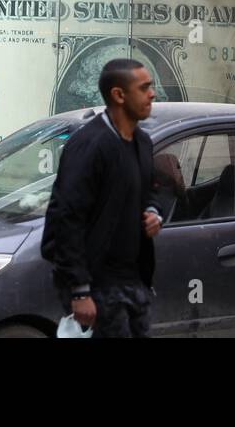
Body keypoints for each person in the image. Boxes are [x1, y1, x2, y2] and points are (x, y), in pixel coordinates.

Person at [41, 57, 164, 338]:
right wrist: (79, 290)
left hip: (135, 282)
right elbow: (67, 219)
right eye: (144, 88)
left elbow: (152, 192)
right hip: (97, 287)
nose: (152, 94)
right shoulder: (89, 145)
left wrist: (155, 213)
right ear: (119, 95)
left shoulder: (142, 143)